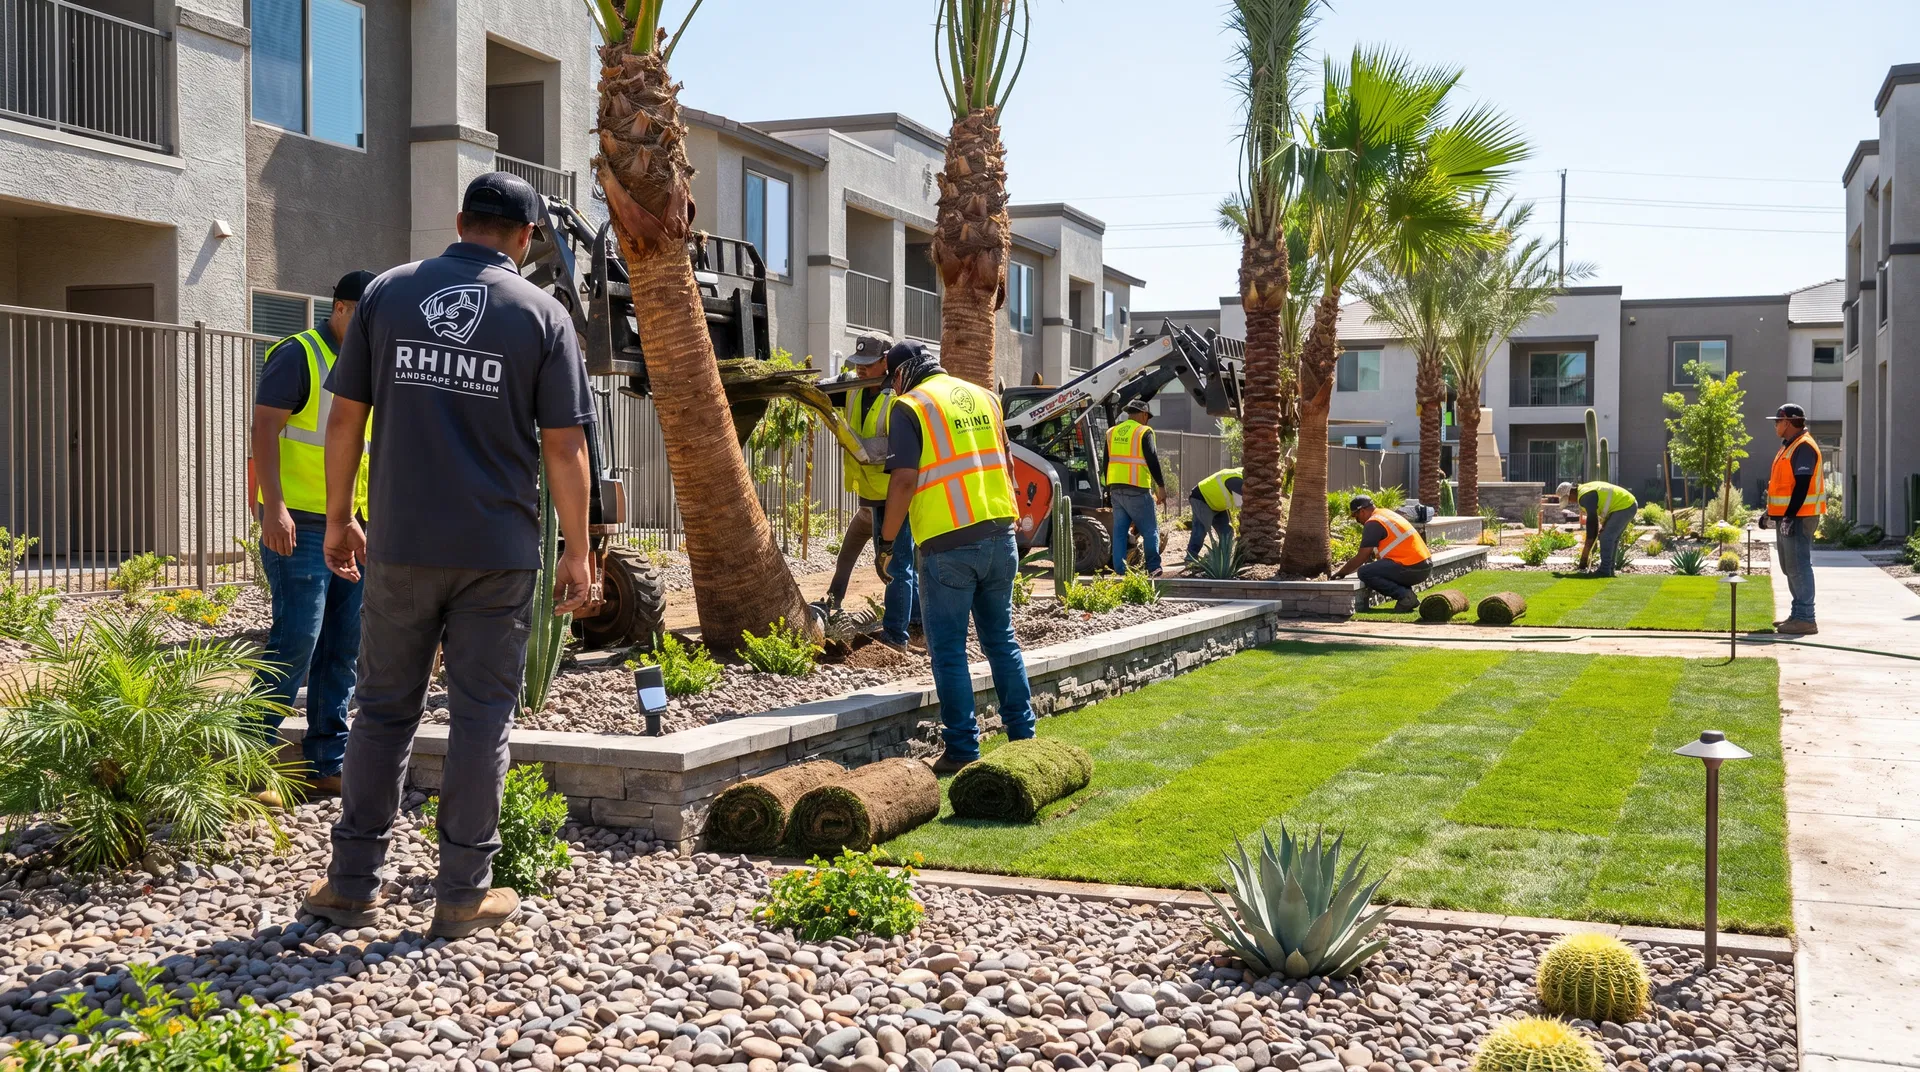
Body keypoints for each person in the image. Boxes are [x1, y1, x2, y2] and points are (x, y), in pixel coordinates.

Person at [302, 172, 597, 938]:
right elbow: (565, 445)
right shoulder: (543, 314)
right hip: (497, 554)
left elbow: (345, 422)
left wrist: (339, 518)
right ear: (528, 239)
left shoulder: (387, 295)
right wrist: (577, 552)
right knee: (480, 720)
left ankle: (350, 882)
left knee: (381, 713)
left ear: (459, 219)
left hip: (401, 544)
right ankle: (463, 892)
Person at [874, 341, 1034, 773]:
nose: (891, 388)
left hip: (948, 546)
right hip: (1001, 535)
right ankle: (1024, 738)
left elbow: (904, 480)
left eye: (892, 380)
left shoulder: (910, 406)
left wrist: (888, 540)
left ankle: (963, 749)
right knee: (1001, 639)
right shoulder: (984, 397)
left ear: (903, 373)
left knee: (948, 651)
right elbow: (1007, 463)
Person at [249, 270, 377, 794]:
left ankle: (326, 762)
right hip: (296, 525)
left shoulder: (367, 363)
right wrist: (271, 506)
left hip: (352, 525)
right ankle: (247, 754)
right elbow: (264, 430)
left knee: (342, 645)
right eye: (369, 318)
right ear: (342, 308)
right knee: (297, 639)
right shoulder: (298, 353)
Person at [822, 334, 916, 650]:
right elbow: (823, 390)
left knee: (896, 566)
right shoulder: (851, 387)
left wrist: (850, 439)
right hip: (871, 493)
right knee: (897, 564)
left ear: (885, 362)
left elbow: (884, 449)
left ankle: (896, 638)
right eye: (858, 364)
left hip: (895, 493)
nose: (860, 370)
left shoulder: (899, 398)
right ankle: (914, 627)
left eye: (868, 365)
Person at [1763, 402, 1823, 635]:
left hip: (1800, 517)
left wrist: (1788, 516)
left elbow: (1802, 485)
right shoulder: (1789, 446)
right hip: (1790, 516)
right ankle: (1798, 614)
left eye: (1777, 421)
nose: (1775, 425)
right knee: (1790, 567)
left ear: (1788, 422)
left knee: (1798, 567)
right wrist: (1771, 512)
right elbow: (1783, 486)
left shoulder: (1803, 447)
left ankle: (1806, 618)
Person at [1331, 494, 1432, 612]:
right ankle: (1408, 595)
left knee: (1364, 572)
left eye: (1356, 516)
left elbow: (1362, 556)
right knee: (1373, 568)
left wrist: (1342, 572)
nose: (1357, 521)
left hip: (1411, 567)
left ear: (1362, 511)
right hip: (1423, 566)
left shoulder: (1373, 522)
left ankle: (1405, 596)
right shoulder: (1386, 514)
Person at [1104, 399, 1169, 575]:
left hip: (1116, 489)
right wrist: (1161, 486)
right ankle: (1153, 567)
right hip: (1137, 488)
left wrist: (1107, 489)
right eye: (1147, 417)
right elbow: (1152, 459)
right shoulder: (1144, 431)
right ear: (1144, 415)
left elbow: (1106, 462)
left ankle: (1120, 570)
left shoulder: (1112, 432)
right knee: (1150, 530)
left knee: (1119, 533)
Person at [1558, 479, 1638, 578]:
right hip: (1627, 504)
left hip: (1625, 505)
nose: (1570, 501)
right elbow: (1598, 514)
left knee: (1606, 537)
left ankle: (1605, 570)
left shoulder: (1584, 496)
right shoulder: (1584, 491)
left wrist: (1590, 541)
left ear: (1571, 493)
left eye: (1568, 499)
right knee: (1611, 538)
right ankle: (1610, 569)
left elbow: (1592, 521)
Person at [1186, 466, 1243, 562]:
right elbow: (1244, 503)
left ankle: (1218, 558)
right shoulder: (1237, 481)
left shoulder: (1243, 475)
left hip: (1217, 504)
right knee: (1200, 530)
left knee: (1226, 532)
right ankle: (1190, 558)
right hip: (1202, 498)